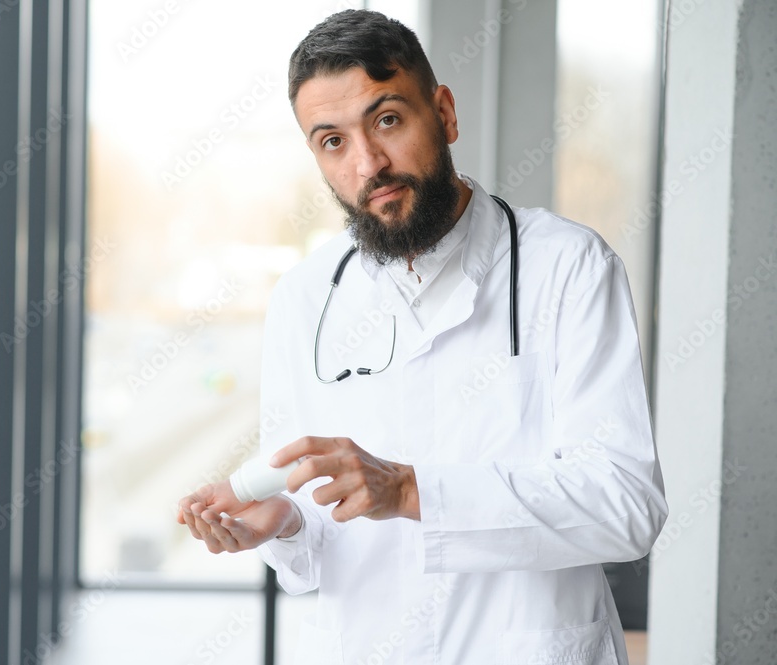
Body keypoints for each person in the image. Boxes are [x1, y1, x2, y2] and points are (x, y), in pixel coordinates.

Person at [177, 9, 667, 664]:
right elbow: (315, 549)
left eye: (387, 120)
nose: (368, 163)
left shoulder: (569, 267)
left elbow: (626, 509)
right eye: (333, 141)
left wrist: (410, 492)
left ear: (444, 113)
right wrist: (285, 525)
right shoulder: (304, 298)